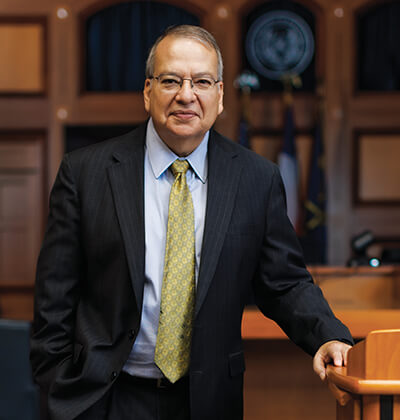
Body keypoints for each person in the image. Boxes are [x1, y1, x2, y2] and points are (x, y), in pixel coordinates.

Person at [30, 25, 353, 420]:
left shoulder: (256, 179)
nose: (186, 95)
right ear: (148, 92)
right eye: (170, 81)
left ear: (220, 96)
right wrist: (56, 382)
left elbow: (284, 282)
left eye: (201, 81)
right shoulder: (85, 173)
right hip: (104, 399)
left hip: (208, 400)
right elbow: (55, 294)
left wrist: (327, 335)